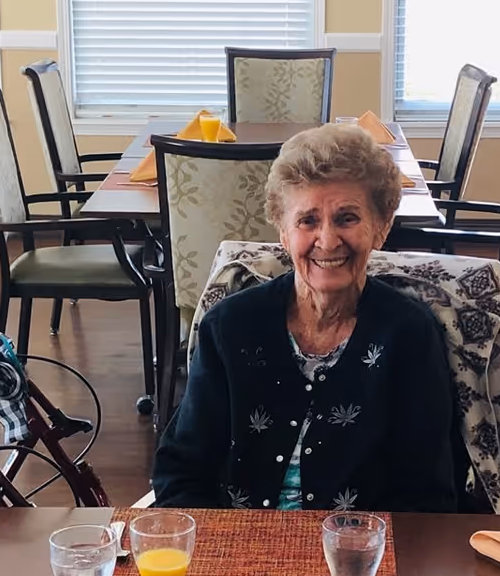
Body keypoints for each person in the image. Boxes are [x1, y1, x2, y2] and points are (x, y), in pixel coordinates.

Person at [152, 124, 457, 512]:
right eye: (307, 221)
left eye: (347, 218)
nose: (327, 240)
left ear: (381, 228)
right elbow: (182, 470)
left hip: (362, 556)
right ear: (282, 231)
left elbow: (426, 495)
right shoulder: (229, 327)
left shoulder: (409, 335)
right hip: (236, 548)